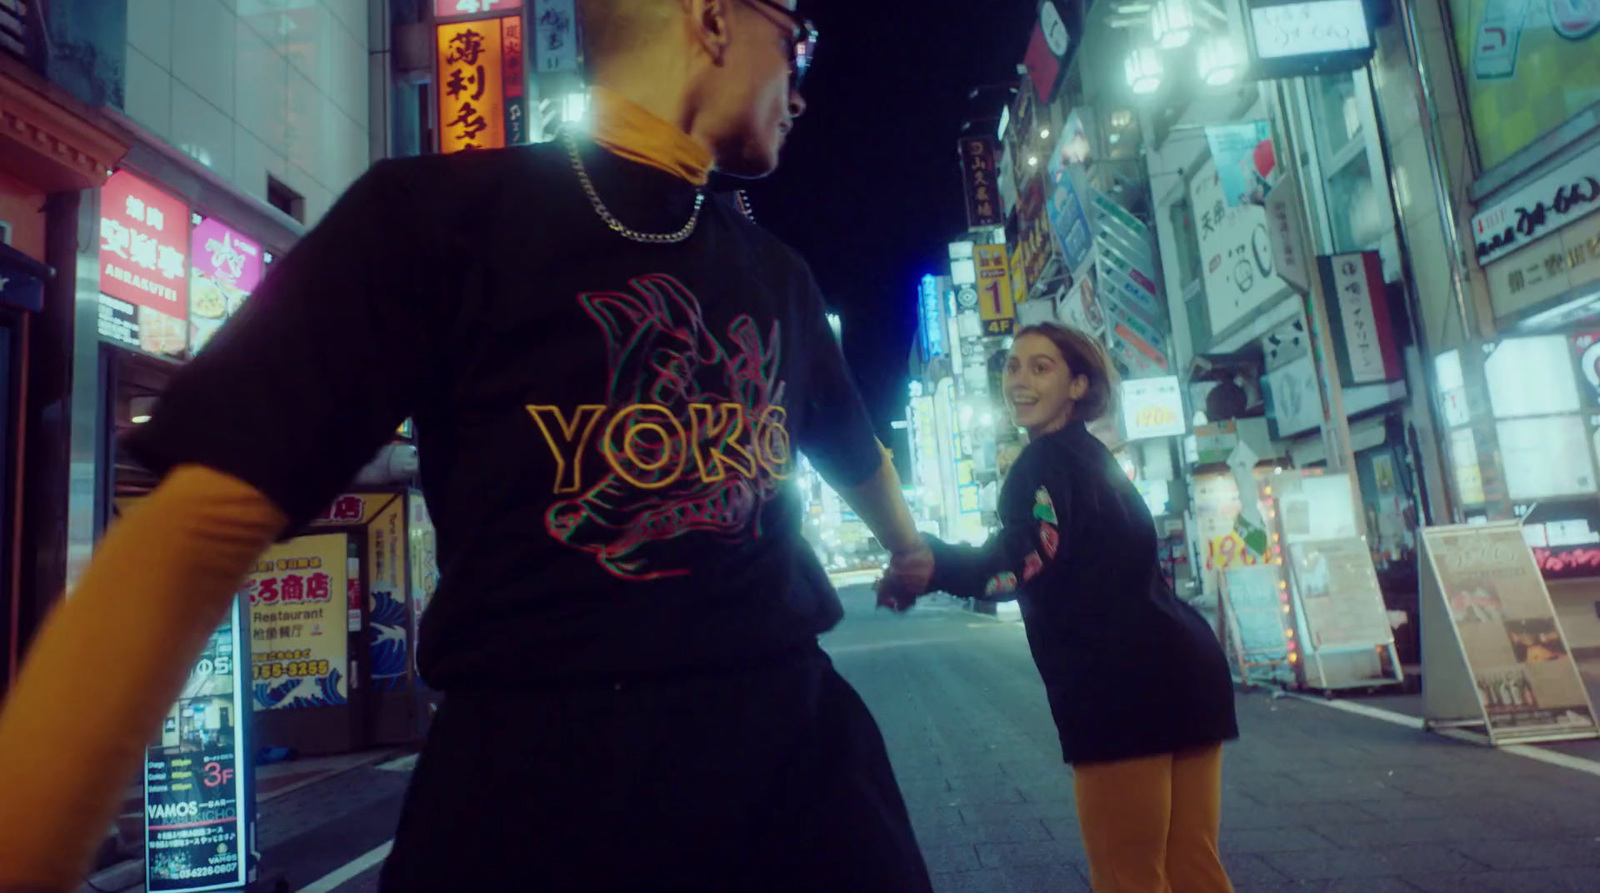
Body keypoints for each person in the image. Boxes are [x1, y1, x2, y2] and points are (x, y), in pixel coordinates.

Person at [0, 1, 939, 891]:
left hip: (796, 778)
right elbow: (198, 530)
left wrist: (905, 546)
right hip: (544, 798)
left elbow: (853, 452)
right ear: (712, 17)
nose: (802, 82)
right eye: (797, 40)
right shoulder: (434, 221)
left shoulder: (775, 273)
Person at [880, 322, 1239, 893]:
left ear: (1077, 385)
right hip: (1189, 671)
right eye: (1013, 366)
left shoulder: (1043, 463)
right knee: (1192, 868)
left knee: (1128, 879)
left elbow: (1028, 557)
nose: (1019, 380)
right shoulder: (1095, 459)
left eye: (1041, 367)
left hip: (1122, 690)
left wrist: (933, 564)